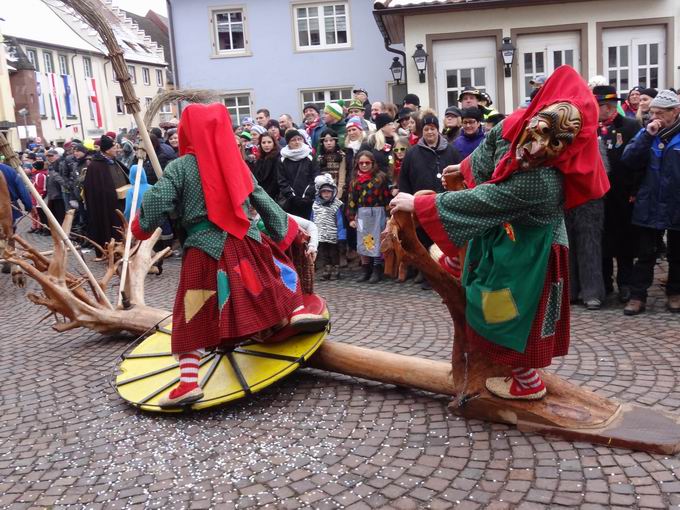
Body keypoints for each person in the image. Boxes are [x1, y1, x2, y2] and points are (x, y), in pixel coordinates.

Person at [392, 66, 609, 400]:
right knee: (496, 292)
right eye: (532, 139)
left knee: (505, 310)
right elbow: (493, 145)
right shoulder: (518, 122)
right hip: (513, 241)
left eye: (548, 146)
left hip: (534, 253)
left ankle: (526, 381)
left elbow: (488, 200)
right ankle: (459, 263)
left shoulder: (542, 179)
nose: (531, 152)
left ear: (563, 146)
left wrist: (421, 206)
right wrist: (463, 167)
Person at [131, 103, 328, 407]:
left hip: (204, 248)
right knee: (270, 279)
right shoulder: (235, 163)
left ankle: (187, 384)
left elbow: (158, 199)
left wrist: (141, 226)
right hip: (244, 240)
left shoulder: (181, 167)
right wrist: (283, 229)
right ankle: (296, 311)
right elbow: (261, 197)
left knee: (194, 309)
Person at [621, 90, 680, 315]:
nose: (655, 116)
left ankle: (675, 292)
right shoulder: (647, 132)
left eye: (660, 113)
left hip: (676, 202)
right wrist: (646, 135)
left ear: (675, 112)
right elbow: (629, 159)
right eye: (652, 112)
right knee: (645, 252)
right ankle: (638, 296)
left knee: (677, 253)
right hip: (650, 202)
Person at [593, 85, 642, 304]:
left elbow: (640, 161)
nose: (604, 110)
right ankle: (604, 282)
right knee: (601, 240)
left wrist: (635, 190)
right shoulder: (588, 129)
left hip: (623, 194)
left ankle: (625, 283)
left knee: (625, 240)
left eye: (607, 106)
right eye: (600, 106)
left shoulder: (630, 126)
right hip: (597, 194)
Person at [347, 151, 392, 284]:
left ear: (372, 163)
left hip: (377, 212)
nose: (364, 165)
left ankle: (377, 269)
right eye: (361, 163)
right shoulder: (355, 180)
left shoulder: (380, 178)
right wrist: (350, 218)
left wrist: (389, 215)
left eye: (367, 163)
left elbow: (386, 197)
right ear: (357, 164)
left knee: (376, 240)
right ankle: (365, 269)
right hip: (361, 214)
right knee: (363, 240)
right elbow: (351, 200)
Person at [83, 135, 130, 259]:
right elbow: (94, 189)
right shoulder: (96, 166)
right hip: (105, 205)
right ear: (108, 150)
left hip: (120, 201)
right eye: (115, 147)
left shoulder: (114, 161)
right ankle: (109, 250)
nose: (117, 150)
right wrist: (110, 194)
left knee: (120, 225)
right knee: (108, 226)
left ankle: (122, 249)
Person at [312, 173, 346, 280]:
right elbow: (312, 219)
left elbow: (340, 222)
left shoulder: (336, 205)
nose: (326, 194)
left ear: (333, 192)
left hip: (333, 235)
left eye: (329, 192)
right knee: (324, 253)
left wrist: (341, 236)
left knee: (333, 253)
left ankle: (336, 269)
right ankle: (327, 269)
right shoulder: (315, 205)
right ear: (320, 193)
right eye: (324, 192)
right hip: (321, 234)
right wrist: (311, 233)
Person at [278, 129, 319, 219]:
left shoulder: (310, 155)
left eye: (299, 139)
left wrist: (307, 195)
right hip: (291, 202)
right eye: (293, 140)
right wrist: (292, 196)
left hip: (308, 200)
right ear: (288, 142)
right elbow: (282, 180)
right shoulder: (283, 159)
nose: (297, 142)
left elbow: (315, 177)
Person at [253, 133, 282, 200]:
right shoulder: (260, 158)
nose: (266, 145)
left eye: (269, 142)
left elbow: (276, 180)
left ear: (274, 143)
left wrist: (267, 196)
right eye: (263, 142)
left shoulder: (278, 157)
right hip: (260, 194)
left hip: (273, 196)